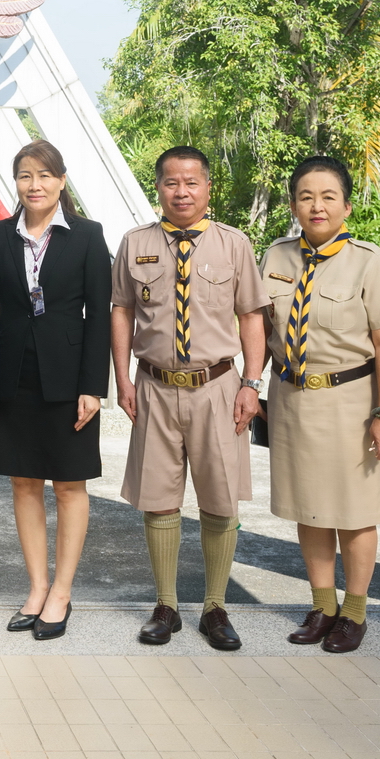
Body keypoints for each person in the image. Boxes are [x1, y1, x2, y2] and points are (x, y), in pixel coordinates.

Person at [111, 146, 269, 651]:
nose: (181, 192)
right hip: (154, 387)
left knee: (220, 499)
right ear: (158, 187)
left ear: (207, 187)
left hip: (218, 388)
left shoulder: (233, 244)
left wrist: (252, 383)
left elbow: (252, 316)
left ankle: (215, 607)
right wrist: (122, 379)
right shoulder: (135, 243)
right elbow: (121, 310)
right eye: (171, 182)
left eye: (191, 182)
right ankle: (166, 606)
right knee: (158, 498)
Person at [258, 157, 380, 655]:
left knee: (355, 511)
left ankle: (355, 611)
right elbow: (263, 329)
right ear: (293, 204)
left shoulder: (369, 261)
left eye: (327, 197)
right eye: (306, 197)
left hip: (350, 402)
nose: (316, 206)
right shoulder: (276, 257)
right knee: (309, 506)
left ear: (346, 205)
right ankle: (323, 606)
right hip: (291, 398)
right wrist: (250, 383)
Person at [0, 140, 111, 643]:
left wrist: (92, 387)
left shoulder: (87, 235)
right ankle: (37, 587)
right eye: (25, 176)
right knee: (23, 482)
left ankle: (62, 591)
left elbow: (99, 314)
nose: (34, 185)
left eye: (44, 175)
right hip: (13, 376)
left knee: (69, 485)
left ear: (61, 180)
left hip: (68, 378)